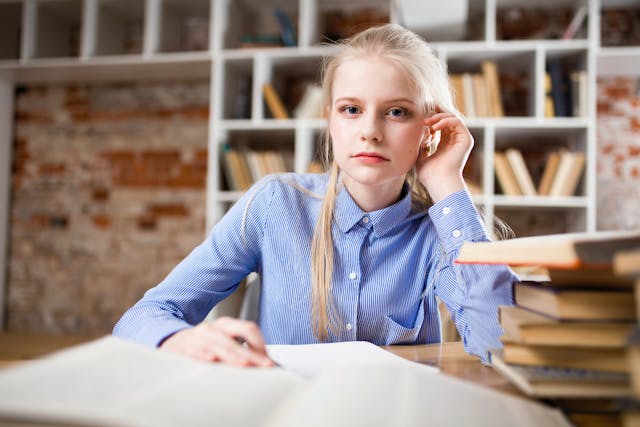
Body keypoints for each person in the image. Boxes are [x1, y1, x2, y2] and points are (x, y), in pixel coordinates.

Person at [113, 23, 516, 367]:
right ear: (330, 120)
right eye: (351, 109)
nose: (370, 131)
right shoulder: (275, 204)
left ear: (429, 128)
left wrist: (447, 183)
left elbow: (499, 345)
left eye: (397, 112)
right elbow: (145, 316)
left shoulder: (438, 233)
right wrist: (181, 340)